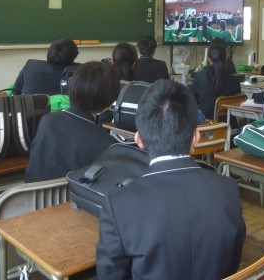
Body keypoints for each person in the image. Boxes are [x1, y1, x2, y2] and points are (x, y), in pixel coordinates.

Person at [96, 79, 245, 279]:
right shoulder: (228, 189)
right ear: (195, 138)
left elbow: (110, 275)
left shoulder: (118, 205)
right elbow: (233, 262)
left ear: (139, 139)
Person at [25, 61, 120, 182]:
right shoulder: (107, 145)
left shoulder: (47, 121)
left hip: (32, 192)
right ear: (110, 101)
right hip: (72, 194)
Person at [189, 44, 241, 119]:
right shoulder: (235, 81)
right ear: (226, 58)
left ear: (209, 59)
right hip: (229, 123)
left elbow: (190, 97)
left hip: (206, 122)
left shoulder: (200, 77)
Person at [13, 38, 79, 95]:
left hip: (33, 105)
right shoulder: (80, 72)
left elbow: (15, 92)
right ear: (75, 55)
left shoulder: (31, 66)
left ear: (50, 52)